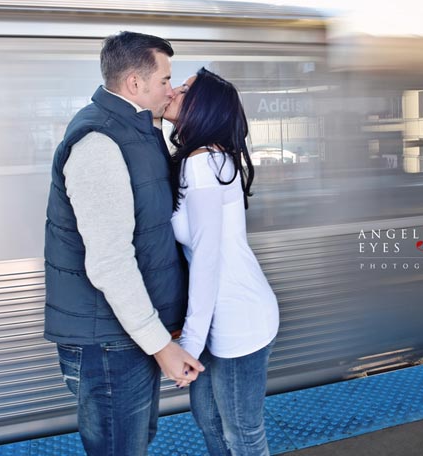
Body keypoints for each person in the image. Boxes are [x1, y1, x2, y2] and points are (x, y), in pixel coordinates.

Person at [43, 31, 204, 456]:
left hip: (126, 333)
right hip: (108, 343)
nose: (171, 89)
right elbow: (110, 262)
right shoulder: (99, 143)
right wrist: (160, 345)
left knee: (133, 443)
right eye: (166, 80)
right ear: (135, 83)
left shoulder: (139, 131)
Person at [164, 67, 280, 455]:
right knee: (210, 421)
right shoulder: (203, 159)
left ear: (202, 109)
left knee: (241, 434)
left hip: (238, 320)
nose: (174, 90)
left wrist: (190, 345)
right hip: (218, 314)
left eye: (184, 89)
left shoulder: (204, 164)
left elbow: (207, 259)